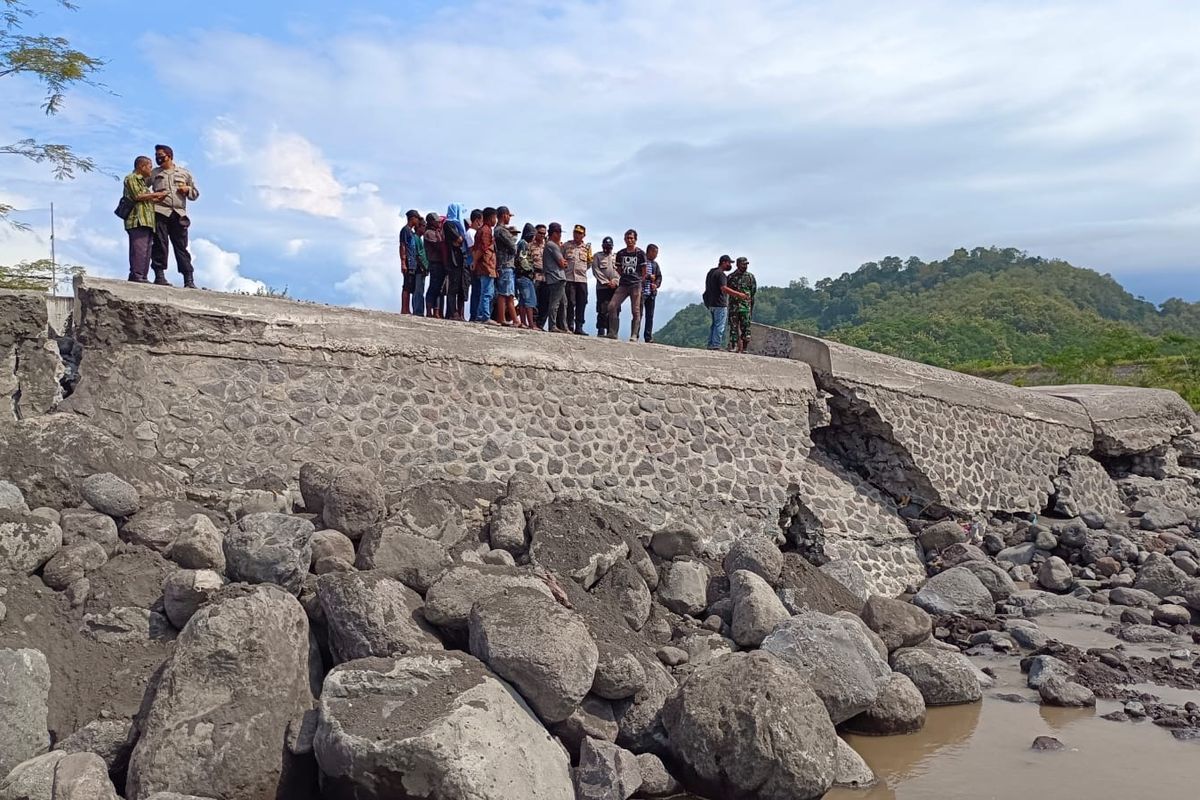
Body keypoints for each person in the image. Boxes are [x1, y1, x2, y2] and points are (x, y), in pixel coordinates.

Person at [149, 144, 199, 287]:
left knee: (181, 246)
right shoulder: (154, 174)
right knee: (159, 244)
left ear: (169, 156)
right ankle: (159, 276)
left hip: (179, 214)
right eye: (157, 156)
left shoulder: (184, 173)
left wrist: (187, 189)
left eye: (161, 156)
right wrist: (153, 196)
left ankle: (188, 279)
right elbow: (142, 188)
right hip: (160, 212)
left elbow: (195, 194)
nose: (158, 158)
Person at [122, 156, 167, 283]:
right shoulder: (132, 178)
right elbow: (138, 196)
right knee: (139, 249)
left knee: (147, 250)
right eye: (149, 166)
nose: (150, 170)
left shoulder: (142, 182)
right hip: (137, 219)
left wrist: (158, 198)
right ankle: (137, 274)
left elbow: (146, 198)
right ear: (142, 167)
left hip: (147, 220)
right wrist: (155, 194)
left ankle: (142, 275)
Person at [605, 229, 646, 341]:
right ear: (624, 239)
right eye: (627, 238)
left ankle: (634, 335)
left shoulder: (641, 254)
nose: (629, 240)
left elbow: (644, 271)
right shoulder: (621, 254)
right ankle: (613, 332)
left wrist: (639, 281)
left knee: (635, 310)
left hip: (636, 285)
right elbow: (618, 269)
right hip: (623, 284)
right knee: (612, 306)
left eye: (632, 238)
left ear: (635, 240)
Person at [703, 254, 749, 350]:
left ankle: (711, 344)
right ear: (723, 262)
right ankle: (716, 345)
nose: (730, 265)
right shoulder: (721, 274)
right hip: (719, 303)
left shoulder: (711, 272)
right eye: (729, 263)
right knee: (719, 325)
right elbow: (724, 288)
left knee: (714, 324)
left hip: (711, 303)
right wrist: (739, 295)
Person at [562, 224, 592, 334]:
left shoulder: (587, 248)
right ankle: (569, 325)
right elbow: (561, 259)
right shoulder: (566, 245)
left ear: (584, 235)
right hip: (569, 278)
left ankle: (579, 327)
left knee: (581, 303)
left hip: (581, 279)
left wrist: (581, 270)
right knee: (570, 303)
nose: (577, 235)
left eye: (579, 233)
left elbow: (589, 263)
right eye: (575, 232)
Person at [472, 207, 498, 323]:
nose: (495, 220)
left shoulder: (483, 230)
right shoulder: (486, 231)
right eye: (495, 217)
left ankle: (480, 315)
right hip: (486, 265)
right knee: (487, 292)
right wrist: (475, 261)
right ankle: (485, 316)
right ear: (491, 217)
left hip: (487, 265)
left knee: (486, 292)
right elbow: (482, 249)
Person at [443, 203, 469, 320]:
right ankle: (453, 313)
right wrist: (460, 240)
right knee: (453, 288)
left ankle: (460, 313)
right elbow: (459, 239)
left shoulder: (458, 225)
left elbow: (460, 241)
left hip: (461, 260)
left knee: (461, 288)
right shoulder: (448, 224)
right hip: (453, 260)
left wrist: (460, 241)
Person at [494, 206, 519, 326]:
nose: (509, 218)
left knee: (509, 295)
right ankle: (501, 318)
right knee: (504, 294)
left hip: (505, 265)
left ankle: (515, 320)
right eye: (509, 215)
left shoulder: (499, 230)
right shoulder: (501, 230)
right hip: (505, 264)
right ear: (504, 215)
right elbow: (513, 247)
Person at [727, 256, 757, 353]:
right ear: (738, 264)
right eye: (743, 264)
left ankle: (744, 348)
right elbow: (727, 290)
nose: (745, 266)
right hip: (734, 306)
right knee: (733, 327)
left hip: (745, 307)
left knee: (746, 327)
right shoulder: (731, 277)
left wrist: (750, 305)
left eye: (746, 264)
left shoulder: (750, 277)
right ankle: (734, 346)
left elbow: (753, 292)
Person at [542, 222, 568, 332]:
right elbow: (562, 264)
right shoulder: (552, 245)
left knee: (563, 302)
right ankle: (552, 326)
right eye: (559, 233)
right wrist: (564, 263)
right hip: (556, 277)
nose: (560, 235)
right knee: (555, 303)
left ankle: (563, 326)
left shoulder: (550, 245)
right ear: (554, 233)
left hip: (557, 278)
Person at [591, 236, 618, 336]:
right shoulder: (597, 256)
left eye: (609, 246)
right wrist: (606, 282)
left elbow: (620, 271)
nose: (607, 248)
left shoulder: (616, 256)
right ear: (602, 246)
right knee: (602, 309)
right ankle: (601, 330)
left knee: (615, 309)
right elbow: (596, 270)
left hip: (615, 287)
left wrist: (615, 281)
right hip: (602, 287)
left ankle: (612, 331)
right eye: (605, 246)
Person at [423, 213, 447, 318]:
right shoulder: (429, 233)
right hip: (435, 263)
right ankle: (429, 311)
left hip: (440, 263)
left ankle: (436, 311)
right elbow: (438, 245)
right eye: (436, 221)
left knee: (439, 288)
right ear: (431, 221)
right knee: (433, 287)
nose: (438, 222)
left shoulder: (437, 232)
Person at [399, 209, 422, 315]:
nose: (418, 221)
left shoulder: (412, 232)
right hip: (408, 260)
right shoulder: (405, 230)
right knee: (406, 285)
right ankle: (404, 308)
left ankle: (407, 308)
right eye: (417, 219)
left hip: (412, 262)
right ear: (412, 218)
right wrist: (403, 262)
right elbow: (403, 246)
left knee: (410, 285)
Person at [515, 223, 537, 329]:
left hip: (520, 276)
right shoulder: (523, 244)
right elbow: (522, 259)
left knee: (523, 301)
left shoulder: (521, 243)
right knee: (529, 300)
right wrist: (530, 270)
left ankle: (524, 323)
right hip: (525, 276)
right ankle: (531, 324)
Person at [641, 243, 663, 342]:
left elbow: (659, 277)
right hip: (641, 292)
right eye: (655, 253)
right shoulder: (642, 262)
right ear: (650, 251)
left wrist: (656, 285)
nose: (656, 255)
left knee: (650, 316)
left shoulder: (655, 265)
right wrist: (648, 277)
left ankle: (648, 337)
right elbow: (638, 275)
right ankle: (635, 335)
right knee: (638, 315)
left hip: (651, 293)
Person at [467, 208, 483, 321]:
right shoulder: (471, 233)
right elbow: (473, 250)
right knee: (477, 290)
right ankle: (474, 315)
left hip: (477, 264)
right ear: (477, 220)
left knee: (479, 290)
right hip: (474, 264)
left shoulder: (474, 233)